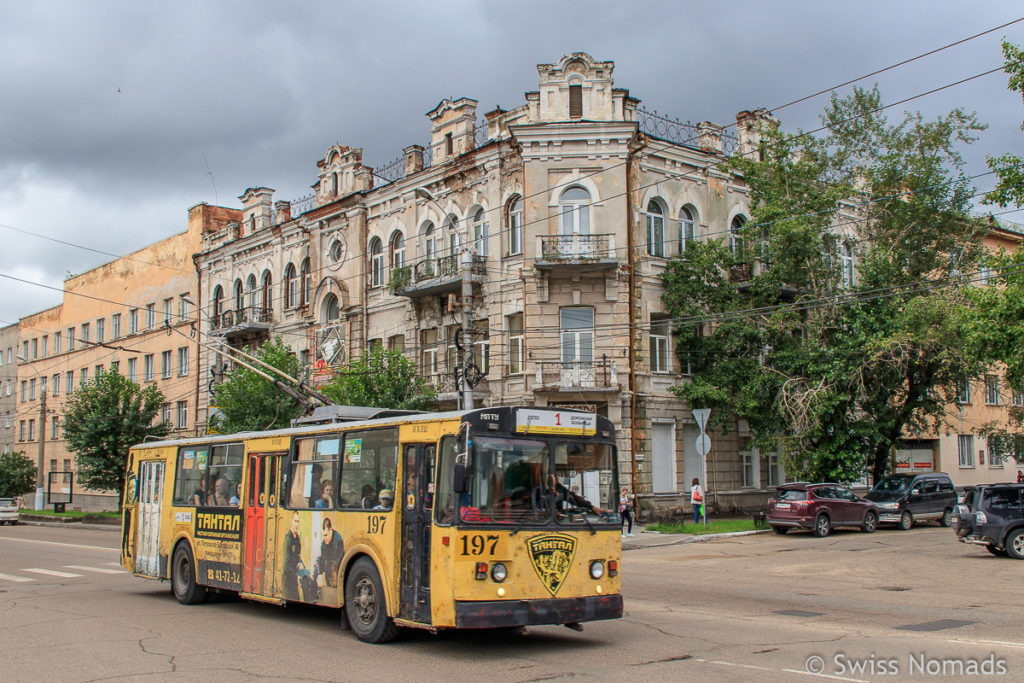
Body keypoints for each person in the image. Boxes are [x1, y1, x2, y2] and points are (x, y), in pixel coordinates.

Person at [532, 474, 606, 515]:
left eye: (555, 477)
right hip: (542, 523)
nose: (556, 479)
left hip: (558, 522)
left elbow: (572, 497)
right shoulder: (538, 490)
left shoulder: (559, 488)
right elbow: (540, 506)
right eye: (553, 477)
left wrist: (591, 507)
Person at [313, 517, 344, 590]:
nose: (325, 538)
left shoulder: (337, 539)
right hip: (329, 571)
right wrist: (317, 569)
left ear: (331, 530)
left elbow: (337, 560)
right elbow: (323, 561)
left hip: (338, 569)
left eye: (326, 535)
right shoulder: (323, 544)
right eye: (324, 535)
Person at [283, 512, 303, 601]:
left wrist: (300, 564)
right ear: (291, 522)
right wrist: (296, 576)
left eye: (298, 521)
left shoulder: (297, 538)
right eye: (295, 521)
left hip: (294, 578)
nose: (297, 524)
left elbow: (298, 556)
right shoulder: (288, 539)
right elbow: (286, 565)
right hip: (288, 579)